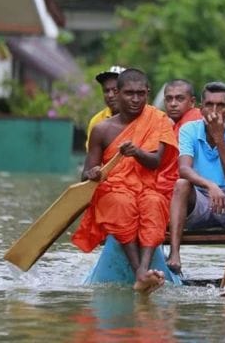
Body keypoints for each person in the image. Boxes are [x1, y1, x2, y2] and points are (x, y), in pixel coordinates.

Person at [72, 68, 178, 295]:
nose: (136, 99)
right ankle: (139, 272)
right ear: (117, 94)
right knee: (120, 201)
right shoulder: (101, 129)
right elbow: (86, 173)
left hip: (148, 186)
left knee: (153, 202)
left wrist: (136, 152)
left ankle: (143, 269)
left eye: (141, 93)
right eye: (129, 93)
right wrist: (94, 173)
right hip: (114, 190)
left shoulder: (158, 120)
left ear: (148, 92)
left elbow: (156, 163)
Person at [166, 81, 225, 274]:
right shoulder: (189, 129)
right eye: (209, 105)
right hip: (201, 198)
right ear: (201, 108)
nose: (214, 111)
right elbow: (184, 169)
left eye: (220, 106)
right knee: (181, 184)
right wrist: (210, 185)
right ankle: (174, 254)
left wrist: (219, 138)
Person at [157, 79, 203, 200]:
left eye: (179, 99)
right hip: (164, 182)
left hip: (189, 186)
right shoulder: (164, 122)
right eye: (169, 99)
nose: (173, 104)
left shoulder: (195, 118)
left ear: (192, 102)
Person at [85, 65, 126, 150]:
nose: (110, 95)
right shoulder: (97, 121)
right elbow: (92, 157)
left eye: (115, 90)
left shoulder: (144, 117)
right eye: (106, 91)